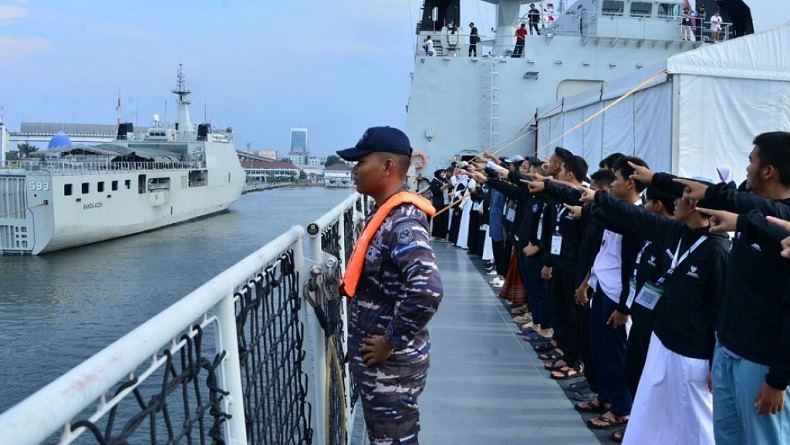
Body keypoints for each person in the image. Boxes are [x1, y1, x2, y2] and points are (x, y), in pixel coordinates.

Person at [674, 132, 790, 445]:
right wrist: (720, 354)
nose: (747, 167)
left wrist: (777, 380)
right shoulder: (749, 216)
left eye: (752, 161)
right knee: (727, 437)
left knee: (764, 439)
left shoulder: (783, 220)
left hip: (761, 362)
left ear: (769, 170)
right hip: (729, 349)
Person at [337, 126, 444, 444]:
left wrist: (390, 341)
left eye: (360, 162)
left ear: (387, 166)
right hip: (383, 369)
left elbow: (428, 289)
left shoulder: (403, 222)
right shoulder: (386, 214)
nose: (354, 170)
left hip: (392, 369)